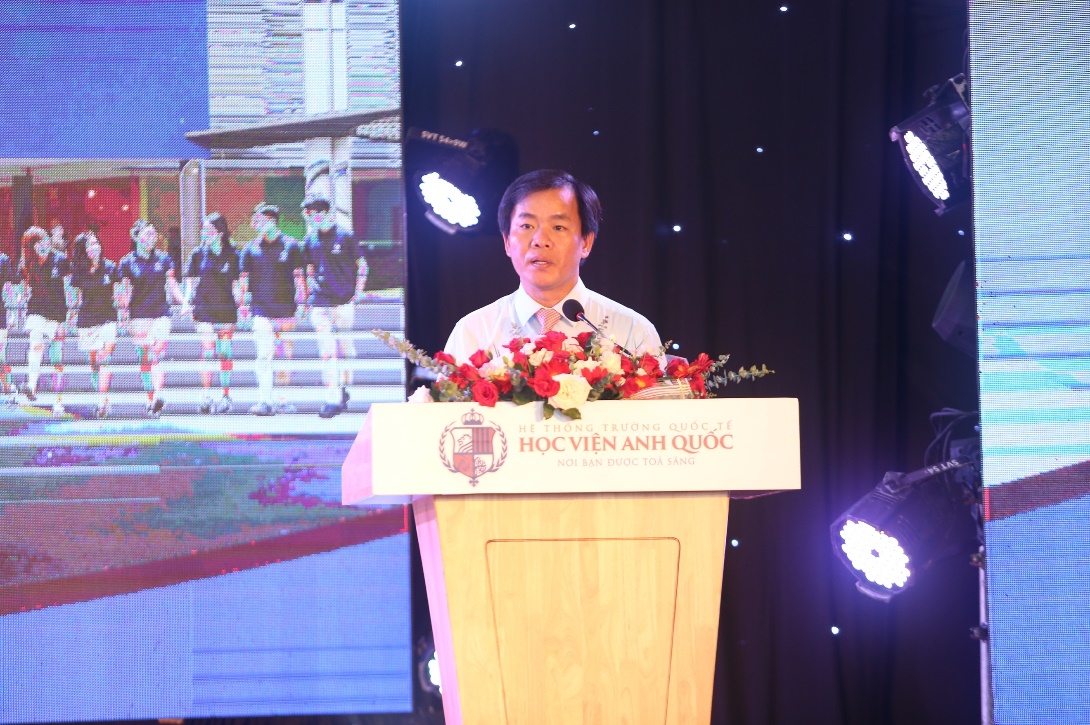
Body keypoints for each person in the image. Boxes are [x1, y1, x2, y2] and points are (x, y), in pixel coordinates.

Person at [443, 169, 662, 362]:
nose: (540, 240)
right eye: (526, 225)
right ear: (507, 241)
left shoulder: (632, 332)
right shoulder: (473, 333)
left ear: (586, 242)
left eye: (558, 227)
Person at [301, 195, 368, 419]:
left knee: (347, 351)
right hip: (320, 303)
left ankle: (343, 388)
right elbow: (309, 269)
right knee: (327, 352)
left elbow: (362, 265)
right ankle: (332, 398)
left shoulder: (346, 236)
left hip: (344, 302)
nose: (313, 216)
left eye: (316, 212)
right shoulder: (309, 240)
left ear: (326, 213)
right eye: (310, 213)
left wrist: (357, 292)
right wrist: (309, 291)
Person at [239, 202, 306, 416]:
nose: (259, 223)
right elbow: (243, 280)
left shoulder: (292, 245)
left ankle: (283, 401)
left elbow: (299, 277)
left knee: (284, 356)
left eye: (263, 219)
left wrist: (302, 303)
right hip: (260, 310)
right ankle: (265, 401)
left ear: (273, 221)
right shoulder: (250, 248)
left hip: (286, 310)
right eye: (257, 219)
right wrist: (243, 305)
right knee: (263, 355)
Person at [117, 219, 185, 417]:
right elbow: (124, 291)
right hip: (138, 317)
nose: (152, 237)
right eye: (148, 233)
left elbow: (172, 284)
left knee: (157, 353)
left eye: (154, 233)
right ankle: (151, 399)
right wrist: (122, 312)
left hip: (161, 313)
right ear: (136, 237)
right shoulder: (127, 262)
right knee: (145, 359)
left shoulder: (164, 259)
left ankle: (158, 395)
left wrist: (184, 302)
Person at [184, 212, 240, 415]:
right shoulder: (198, 254)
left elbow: (237, 284)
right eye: (203, 230)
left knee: (225, 353)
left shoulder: (233, 254)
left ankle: (225, 396)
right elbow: (190, 282)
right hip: (204, 308)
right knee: (208, 351)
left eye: (208, 230)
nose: (204, 233)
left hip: (226, 309)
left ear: (220, 232)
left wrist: (241, 304)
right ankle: (206, 396)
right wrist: (187, 302)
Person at [17, 226, 74, 414]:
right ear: (31, 247)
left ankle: (58, 401)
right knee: (36, 344)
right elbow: (23, 288)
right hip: (36, 310)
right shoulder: (27, 263)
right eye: (37, 243)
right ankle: (31, 386)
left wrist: (69, 316)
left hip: (57, 313)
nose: (42, 245)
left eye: (45, 241)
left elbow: (69, 287)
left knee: (57, 357)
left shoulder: (60, 260)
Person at [71, 231, 121, 418]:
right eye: (90, 244)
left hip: (108, 318)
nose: (95, 247)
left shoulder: (110, 267)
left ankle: (102, 401)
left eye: (96, 243)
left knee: (104, 357)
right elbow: (75, 298)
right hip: (87, 319)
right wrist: (70, 316)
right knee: (94, 362)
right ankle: (100, 396)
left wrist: (123, 309)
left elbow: (119, 291)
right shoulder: (79, 270)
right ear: (83, 250)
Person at [0, 247, 18, 400]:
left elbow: (9, 287)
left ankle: (7, 387)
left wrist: (12, 313)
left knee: (1, 354)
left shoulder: (3, 260)